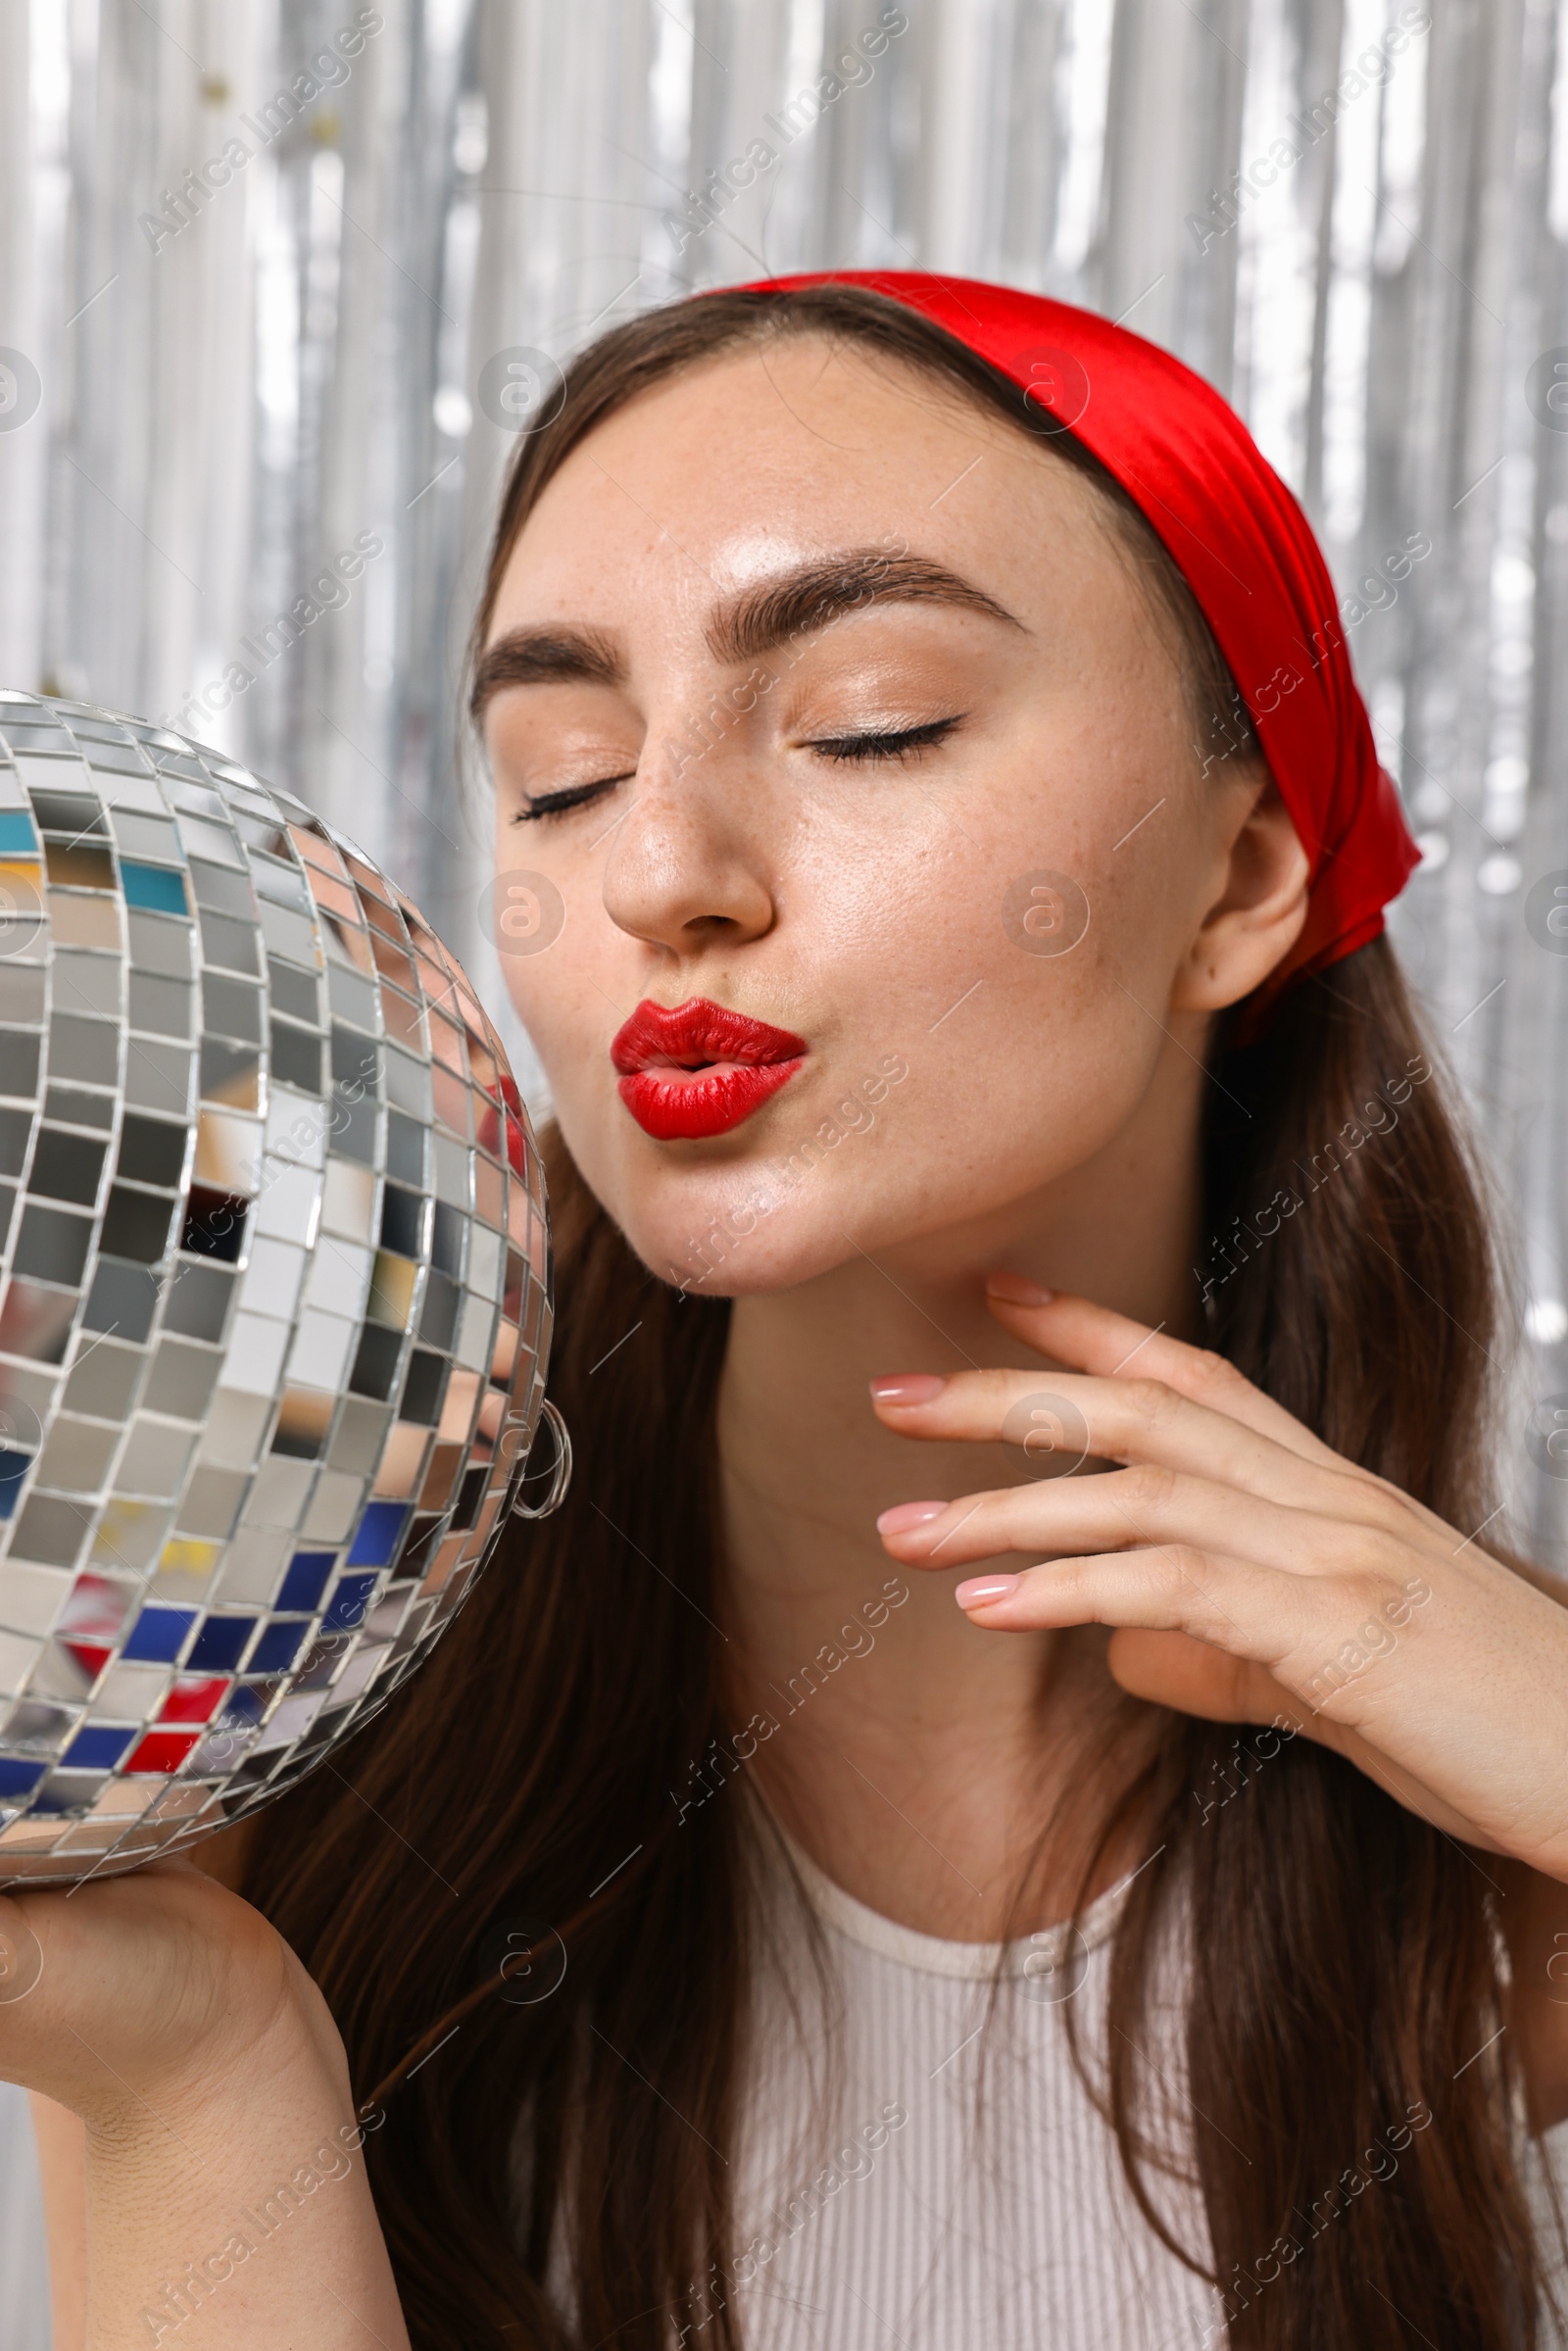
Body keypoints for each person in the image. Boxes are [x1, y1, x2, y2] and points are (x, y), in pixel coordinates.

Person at [7, 271, 1568, 2350]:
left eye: (868, 724)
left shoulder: (1506, 1843)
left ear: (1239, 875)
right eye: (558, 773)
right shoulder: (244, 1776)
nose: (662, 869)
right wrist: (202, 2068)